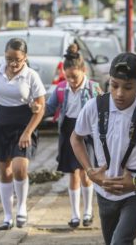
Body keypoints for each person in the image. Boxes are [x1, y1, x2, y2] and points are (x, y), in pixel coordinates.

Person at [70, 52, 136, 245]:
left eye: (128, 87)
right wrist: (90, 171)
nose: (120, 93)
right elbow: (76, 138)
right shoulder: (94, 106)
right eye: (114, 85)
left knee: (119, 242)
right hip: (104, 191)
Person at [0, 38, 46, 230]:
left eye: (17, 59)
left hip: (24, 126)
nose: (13, 64)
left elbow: (41, 109)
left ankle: (22, 207)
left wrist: (28, 132)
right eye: (9, 59)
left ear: (25, 57)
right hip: (0, 124)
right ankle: (7, 216)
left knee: (19, 168)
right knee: (4, 171)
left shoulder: (31, 76)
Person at [43, 44, 102, 228]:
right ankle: (75, 214)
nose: (71, 81)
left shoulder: (93, 88)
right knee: (73, 174)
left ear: (83, 70)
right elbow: (49, 108)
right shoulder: (61, 89)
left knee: (87, 173)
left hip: (87, 134)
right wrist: (37, 109)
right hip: (69, 132)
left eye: (74, 77)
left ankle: (88, 212)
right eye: (67, 77)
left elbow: (103, 110)